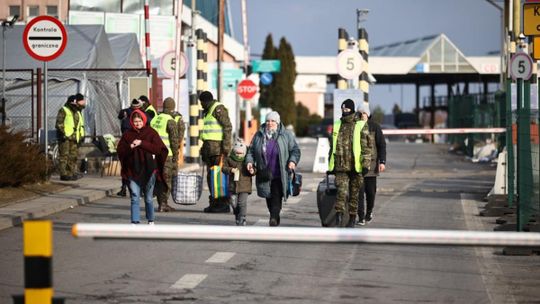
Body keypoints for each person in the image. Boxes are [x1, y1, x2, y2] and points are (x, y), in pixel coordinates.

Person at [246, 111, 301, 226]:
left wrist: (292, 161)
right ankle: (274, 214)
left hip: (280, 173)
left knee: (276, 195)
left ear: (278, 122)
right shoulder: (259, 135)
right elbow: (250, 151)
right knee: (268, 196)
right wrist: (250, 162)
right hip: (264, 173)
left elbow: (295, 150)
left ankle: (273, 218)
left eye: (272, 121)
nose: (270, 123)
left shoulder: (286, 135)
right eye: (268, 121)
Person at [117, 109, 168, 225]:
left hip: (149, 169)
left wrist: (142, 143)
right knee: (134, 196)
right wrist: (130, 146)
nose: (137, 124)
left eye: (139, 121)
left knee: (148, 198)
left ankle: (151, 220)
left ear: (144, 120)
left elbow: (158, 149)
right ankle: (135, 221)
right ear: (131, 122)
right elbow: (120, 150)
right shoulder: (127, 135)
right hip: (132, 170)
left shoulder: (151, 133)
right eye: (135, 121)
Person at [328, 99, 371, 227]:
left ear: (352, 110)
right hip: (341, 166)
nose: (344, 112)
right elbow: (332, 147)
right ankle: (339, 216)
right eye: (343, 109)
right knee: (341, 192)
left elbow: (367, 147)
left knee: (354, 194)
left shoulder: (361, 125)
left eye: (347, 109)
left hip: (356, 167)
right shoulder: (337, 124)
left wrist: (365, 164)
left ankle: (352, 218)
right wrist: (331, 165)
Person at [199, 91, 233, 213]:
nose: (201, 105)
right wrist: (203, 150)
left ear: (205, 101)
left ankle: (223, 204)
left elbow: (227, 127)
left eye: (201, 102)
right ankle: (214, 203)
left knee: (220, 178)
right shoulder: (207, 112)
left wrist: (226, 148)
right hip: (210, 151)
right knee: (211, 178)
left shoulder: (218, 109)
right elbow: (208, 134)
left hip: (219, 151)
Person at [357, 104, 386, 225]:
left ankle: (369, 211)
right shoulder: (355, 127)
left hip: (372, 166)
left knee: (370, 192)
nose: (362, 115)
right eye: (360, 113)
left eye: (364, 113)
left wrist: (382, 162)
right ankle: (361, 217)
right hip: (357, 166)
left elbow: (381, 145)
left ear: (368, 114)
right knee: (359, 193)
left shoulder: (375, 127)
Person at [150, 97, 180, 212]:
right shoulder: (170, 121)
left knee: (159, 178)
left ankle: (161, 203)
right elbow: (174, 141)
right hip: (167, 155)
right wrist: (176, 157)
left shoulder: (155, 119)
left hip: (155, 154)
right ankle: (163, 203)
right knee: (167, 179)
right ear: (172, 108)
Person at [222, 139, 255, 226]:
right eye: (237, 153)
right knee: (233, 202)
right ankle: (237, 214)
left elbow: (254, 170)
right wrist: (231, 169)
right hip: (233, 186)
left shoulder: (248, 160)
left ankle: (242, 217)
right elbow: (223, 168)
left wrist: (252, 170)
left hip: (245, 186)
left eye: (241, 153)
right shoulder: (229, 159)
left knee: (242, 203)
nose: (239, 155)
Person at [116, 98, 145, 196]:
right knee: (137, 167)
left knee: (126, 167)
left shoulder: (125, 113)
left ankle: (124, 188)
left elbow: (119, 117)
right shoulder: (140, 115)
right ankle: (138, 190)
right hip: (136, 144)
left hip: (127, 144)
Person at [55, 93, 86, 181]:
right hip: (65, 138)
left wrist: (81, 136)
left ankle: (70, 173)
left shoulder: (77, 112)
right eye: (74, 104)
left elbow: (80, 125)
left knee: (73, 156)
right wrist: (63, 134)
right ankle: (63, 174)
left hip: (74, 138)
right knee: (64, 156)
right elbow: (59, 123)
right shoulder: (64, 110)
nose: (75, 106)